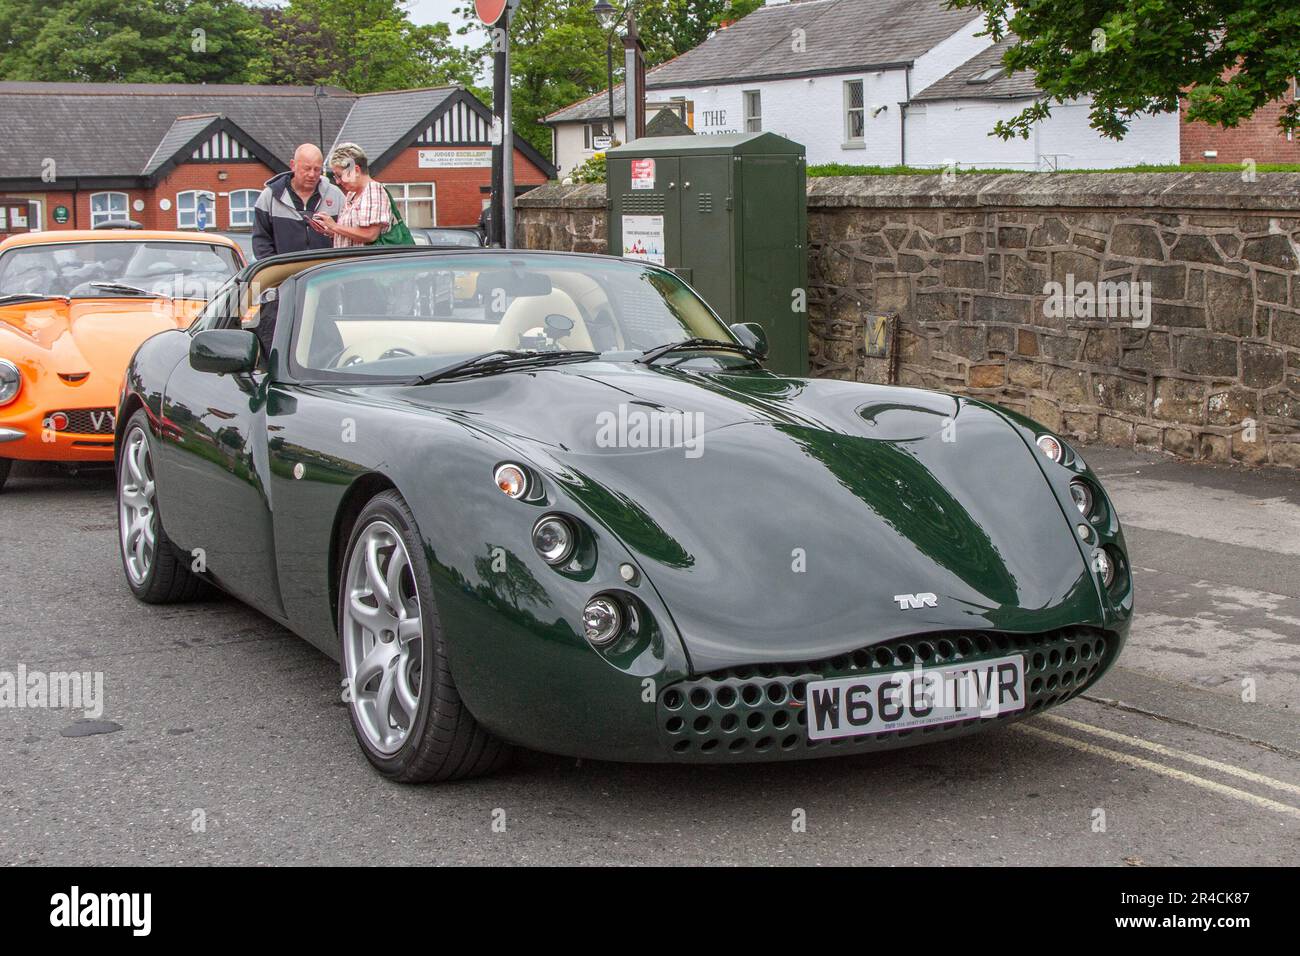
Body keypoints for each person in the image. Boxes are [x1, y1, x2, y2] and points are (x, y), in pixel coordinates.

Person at [251, 144, 344, 259]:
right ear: (293, 165)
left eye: (317, 169)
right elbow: (261, 242)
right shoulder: (269, 197)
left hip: (326, 269)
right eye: (307, 168)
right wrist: (276, 267)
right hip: (284, 269)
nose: (312, 174)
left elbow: (347, 236)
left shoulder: (336, 196)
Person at [312, 143, 391, 248]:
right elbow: (353, 235)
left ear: (356, 170)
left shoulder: (373, 191)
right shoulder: (351, 195)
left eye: (340, 176)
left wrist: (334, 226)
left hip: (364, 258)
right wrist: (330, 230)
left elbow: (370, 235)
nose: (337, 182)